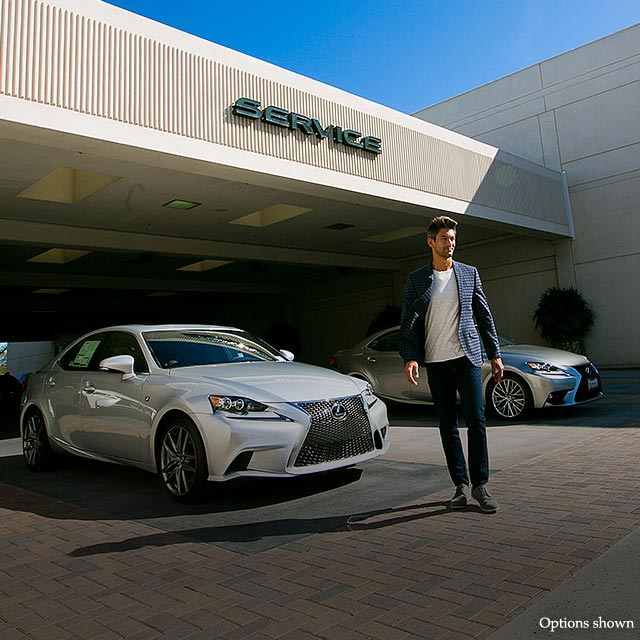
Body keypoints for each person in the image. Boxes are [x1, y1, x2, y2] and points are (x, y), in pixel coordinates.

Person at [398, 216, 504, 512]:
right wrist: (410, 357)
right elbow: (408, 322)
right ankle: (460, 486)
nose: (450, 243)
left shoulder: (469, 273)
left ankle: (480, 486)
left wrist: (494, 354)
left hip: (467, 358)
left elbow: (484, 315)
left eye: (453, 238)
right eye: (444, 238)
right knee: (448, 426)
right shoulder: (417, 279)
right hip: (436, 361)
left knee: (477, 422)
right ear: (431, 242)